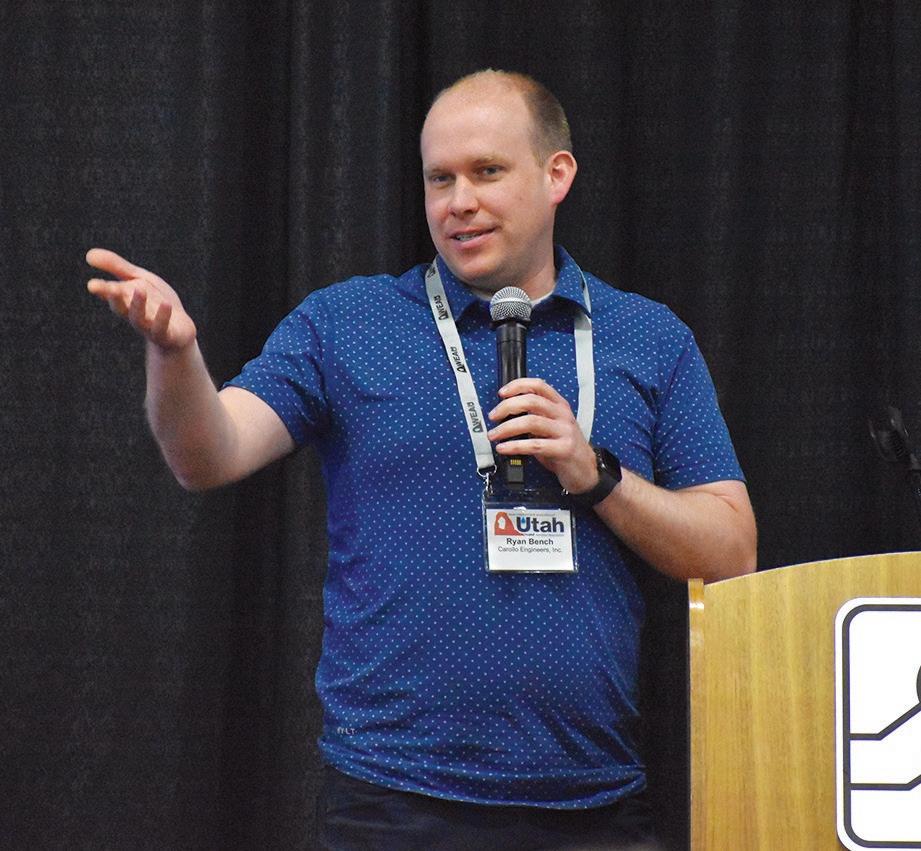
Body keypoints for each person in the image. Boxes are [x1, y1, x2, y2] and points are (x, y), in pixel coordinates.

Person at [87, 69, 756, 851]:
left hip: (592, 803)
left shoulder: (649, 337)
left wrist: (596, 474)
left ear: (556, 175)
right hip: (393, 800)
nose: (458, 201)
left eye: (486, 171)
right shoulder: (347, 323)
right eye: (439, 178)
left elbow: (731, 551)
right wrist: (175, 356)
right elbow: (210, 454)